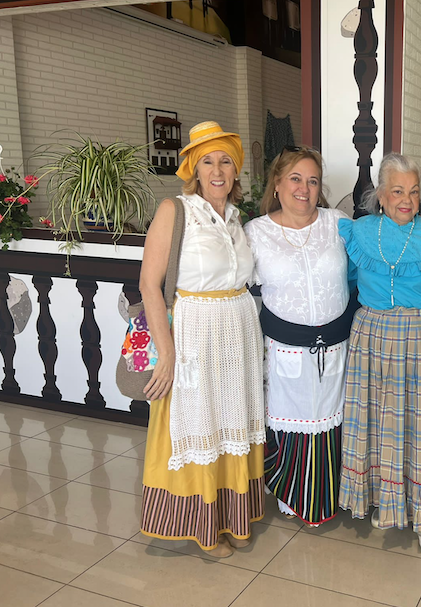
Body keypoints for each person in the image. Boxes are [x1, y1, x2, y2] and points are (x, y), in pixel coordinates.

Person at [139, 121, 266, 558]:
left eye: (225, 161)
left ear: (235, 170)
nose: (217, 170)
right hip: (194, 336)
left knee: (232, 421)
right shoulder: (176, 210)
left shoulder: (236, 217)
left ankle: (235, 518)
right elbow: (149, 284)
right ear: (194, 168)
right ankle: (204, 528)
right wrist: (167, 354)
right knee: (198, 424)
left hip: (237, 336)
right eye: (207, 161)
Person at [337, 152, 421, 557]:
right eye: (397, 191)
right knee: (375, 425)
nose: (406, 200)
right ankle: (383, 500)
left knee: (420, 426)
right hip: (370, 338)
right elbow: (345, 287)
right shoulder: (359, 232)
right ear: (380, 195)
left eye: (413, 191)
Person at [244, 146, 354, 526]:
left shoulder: (337, 223)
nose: (304, 189)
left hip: (336, 349)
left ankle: (331, 497)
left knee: (332, 420)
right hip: (284, 351)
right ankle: (291, 494)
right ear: (277, 183)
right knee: (291, 423)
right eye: (295, 178)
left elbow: (376, 247)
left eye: (312, 181)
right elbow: (232, 282)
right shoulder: (256, 233)